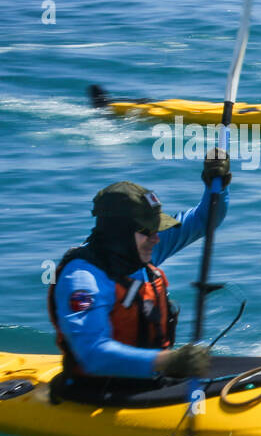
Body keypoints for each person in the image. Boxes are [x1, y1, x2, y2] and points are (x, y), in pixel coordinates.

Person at [47, 151, 231, 392]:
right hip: (99, 391)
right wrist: (170, 361)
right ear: (119, 233)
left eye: (158, 229)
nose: (156, 239)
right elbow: (92, 355)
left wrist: (215, 183)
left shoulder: (140, 248)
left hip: (153, 379)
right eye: (148, 231)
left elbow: (204, 219)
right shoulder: (83, 278)